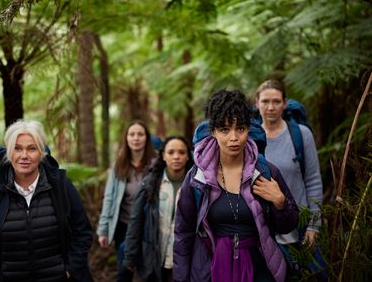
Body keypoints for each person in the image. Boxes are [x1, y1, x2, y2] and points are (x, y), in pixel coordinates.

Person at [174, 89, 299, 282]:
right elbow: (183, 233)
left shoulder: (265, 172)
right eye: (225, 130)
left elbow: (287, 226)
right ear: (214, 131)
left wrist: (280, 203)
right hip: (211, 268)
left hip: (259, 269)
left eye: (240, 128)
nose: (234, 137)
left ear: (248, 129)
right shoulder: (197, 177)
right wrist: (181, 278)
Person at [0, 119, 93, 282]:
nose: (24, 156)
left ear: (41, 152)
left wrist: (70, 269)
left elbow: (83, 232)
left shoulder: (60, 185)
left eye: (31, 148)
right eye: (17, 148)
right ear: (9, 153)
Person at [255, 80, 324, 275]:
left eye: (276, 101)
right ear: (256, 103)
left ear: (284, 103)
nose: (270, 107)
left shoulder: (301, 135)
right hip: (265, 232)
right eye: (265, 101)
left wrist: (314, 226)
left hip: (300, 228)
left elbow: (313, 180)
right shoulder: (249, 140)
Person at [123, 136, 194, 282]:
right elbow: (136, 220)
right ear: (163, 156)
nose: (176, 157)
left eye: (181, 152)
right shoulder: (150, 183)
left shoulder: (196, 186)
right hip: (152, 258)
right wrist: (130, 256)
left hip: (183, 261)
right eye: (171, 152)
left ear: (188, 156)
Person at [97, 120, 156, 282]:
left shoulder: (156, 164)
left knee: (150, 272)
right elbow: (109, 198)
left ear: (146, 138)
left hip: (149, 226)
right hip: (124, 227)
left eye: (140, 134)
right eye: (132, 134)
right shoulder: (119, 165)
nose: (136, 138)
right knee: (124, 273)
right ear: (126, 138)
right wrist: (103, 229)